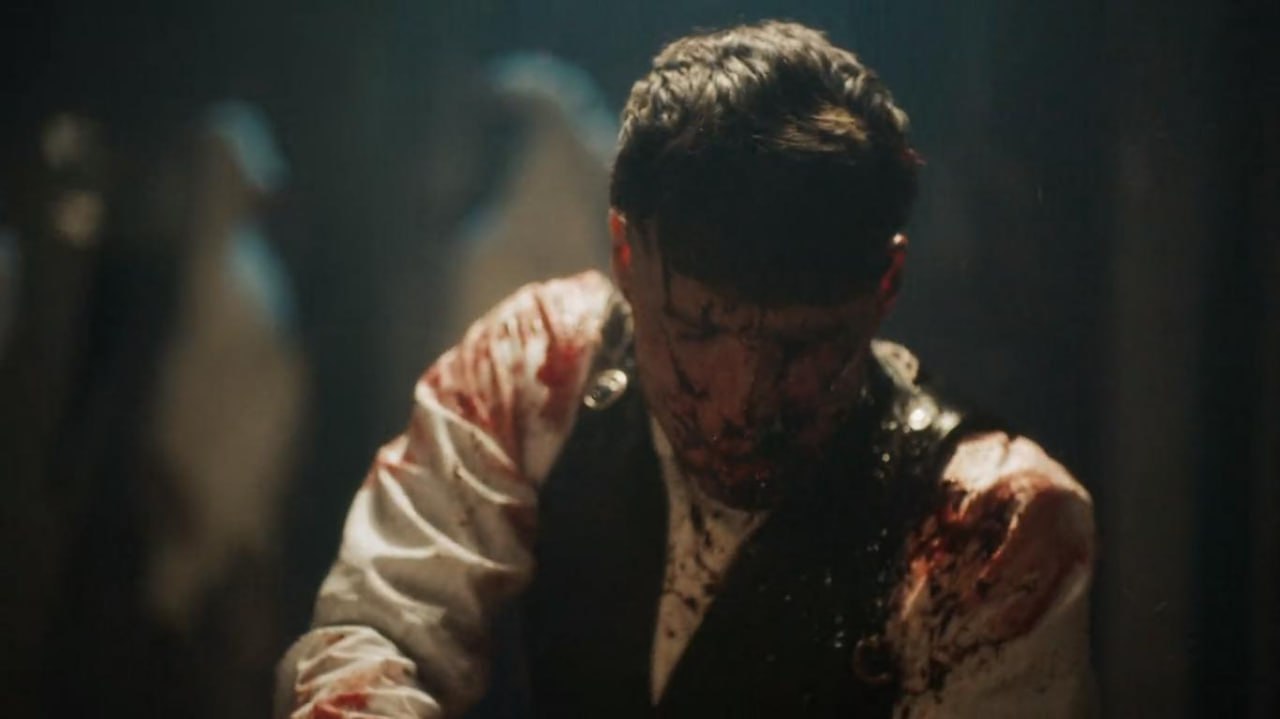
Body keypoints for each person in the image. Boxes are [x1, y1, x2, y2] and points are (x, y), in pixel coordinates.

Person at [277, 20, 1096, 718]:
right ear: (625, 252)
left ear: (886, 284)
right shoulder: (538, 368)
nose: (741, 405)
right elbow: (379, 629)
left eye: (801, 346)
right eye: (697, 329)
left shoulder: (990, 523)